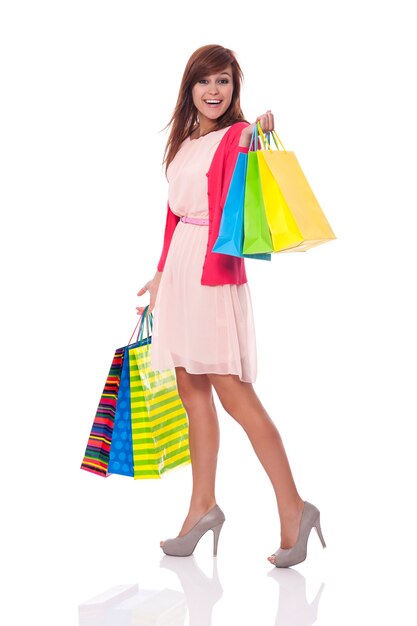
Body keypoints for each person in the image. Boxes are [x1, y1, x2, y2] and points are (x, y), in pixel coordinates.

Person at [136, 44, 326, 568]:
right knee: (190, 391)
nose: (214, 92)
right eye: (205, 82)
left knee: (235, 396)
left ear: (233, 88)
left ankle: (294, 507)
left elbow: (254, 146)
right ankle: (202, 507)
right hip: (179, 272)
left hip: (213, 274)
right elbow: (174, 217)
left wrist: (261, 133)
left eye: (223, 82)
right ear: (190, 87)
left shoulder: (236, 135)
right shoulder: (182, 143)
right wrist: (158, 278)